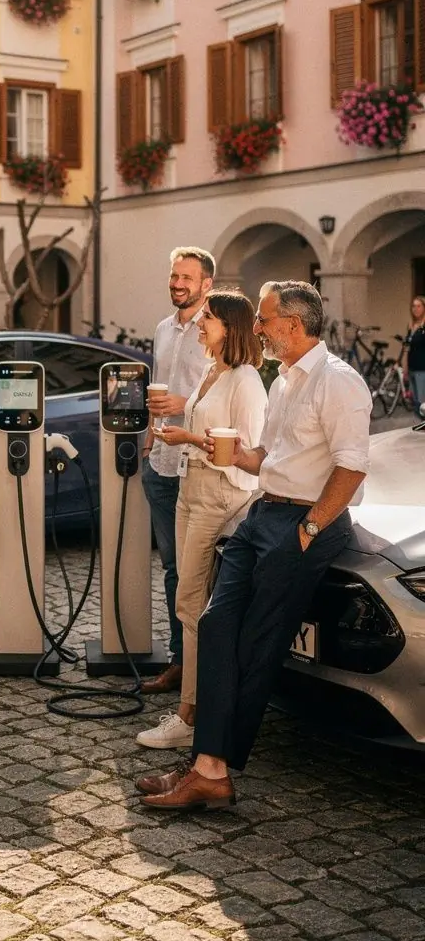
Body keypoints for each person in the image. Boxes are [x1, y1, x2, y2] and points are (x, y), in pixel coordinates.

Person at [138, 280, 372, 812]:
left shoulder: (339, 382)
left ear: (293, 324)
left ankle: (210, 771)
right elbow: (272, 455)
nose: (259, 329)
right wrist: (230, 453)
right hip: (262, 513)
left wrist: (309, 530)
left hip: (302, 524)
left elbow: (352, 466)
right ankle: (206, 764)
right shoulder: (286, 380)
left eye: (265, 320)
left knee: (258, 643)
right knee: (218, 624)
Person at [136, 292, 267, 750]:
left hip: (218, 493)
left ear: (229, 327)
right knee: (188, 604)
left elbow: (247, 455)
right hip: (191, 487)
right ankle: (195, 707)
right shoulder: (214, 371)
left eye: (207, 319)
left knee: (193, 605)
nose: (199, 325)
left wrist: (189, 435)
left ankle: (190, 715)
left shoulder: (247, 380)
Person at [140, 246, 215, 695]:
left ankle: (204, 666)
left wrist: (184, 405)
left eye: (186, 277)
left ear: (207, 283)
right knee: (172, 569)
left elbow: (224, 389)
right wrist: (151, 436)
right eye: (174, 276)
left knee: (199, 572)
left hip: (197, 465)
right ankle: (179, 661)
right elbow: (157, 388)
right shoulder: (163, 329)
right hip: (161, 465)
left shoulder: (216, 329)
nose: (177, 284)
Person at [402, 294, 425, 411]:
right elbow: (407, 347)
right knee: (415, 402)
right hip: (411, 368)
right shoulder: (411, 325)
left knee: (422, 403)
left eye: (419, 306)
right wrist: (404, 367)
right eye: (413, 306)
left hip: (422, 369)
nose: (416, 309)